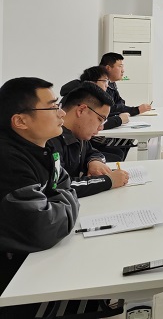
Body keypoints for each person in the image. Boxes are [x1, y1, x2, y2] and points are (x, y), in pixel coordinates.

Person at [0, 78, 79, 318]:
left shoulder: (44, 148)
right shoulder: (7, 159)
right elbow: (41, 228)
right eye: (53, 107)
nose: (62, 113)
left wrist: (58, 201)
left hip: (29, 265)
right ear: (20, 121)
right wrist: (66, 202)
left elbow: (64, 185)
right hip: (12, 282)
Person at [48, 82, 129, 197]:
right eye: (100, 119)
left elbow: (92, 152)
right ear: (81, 110)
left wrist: (95, 161)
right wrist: (108, 181)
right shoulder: (50, 140)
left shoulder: (78, 134)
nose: (100, 127)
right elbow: (60, 186)